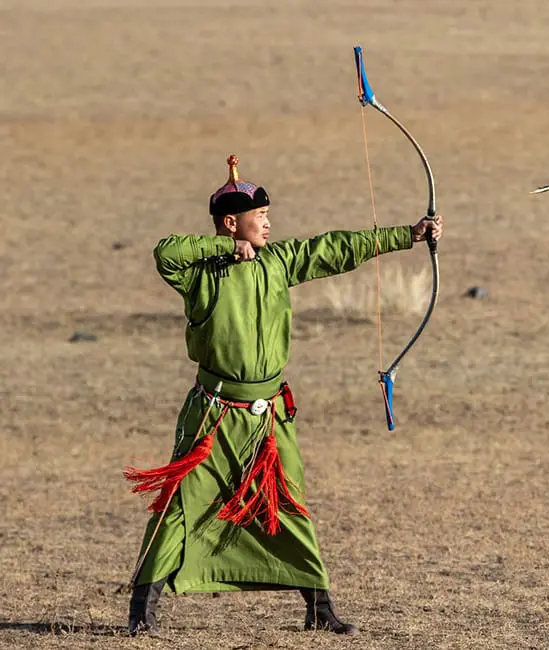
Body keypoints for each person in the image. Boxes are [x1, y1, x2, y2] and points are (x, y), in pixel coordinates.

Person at [122, 154, 443, 637]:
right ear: (231, 223)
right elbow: (165, 251)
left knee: (288, 502)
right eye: (259, 216)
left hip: (269, 416)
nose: (268, 224)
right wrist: (227, 249)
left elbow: (335, 248)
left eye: (268, 215)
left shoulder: (278, 261)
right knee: (180, 507)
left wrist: (408, 235)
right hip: (214, 417)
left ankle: (319, 609)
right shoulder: (199, 273)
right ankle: (141, 613)